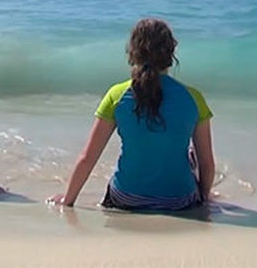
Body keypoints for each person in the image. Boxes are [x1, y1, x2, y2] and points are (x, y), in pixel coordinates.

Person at [49, 18, 214, 210]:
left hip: (127, 198)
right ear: (171, 52)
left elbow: (88, 158)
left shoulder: (117, 95)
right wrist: (204, 199)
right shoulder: (194, 98)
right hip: (178, 200)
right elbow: (207, 162)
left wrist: (67, 201)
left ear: (133, 51)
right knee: (191, 157)